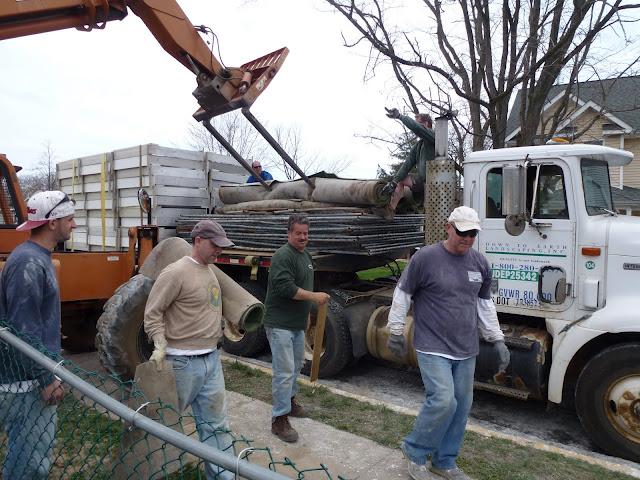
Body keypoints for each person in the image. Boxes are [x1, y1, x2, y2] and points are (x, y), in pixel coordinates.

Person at [386, 206, 510, 480]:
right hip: (432, 345)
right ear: (448, 227)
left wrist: (497, 338)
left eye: (473, 234)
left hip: (466, 348)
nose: (467, 238)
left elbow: (484, 304)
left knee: (461, 408)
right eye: (462, 232)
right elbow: (402, 294)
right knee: (443, 401)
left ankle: (444, 462)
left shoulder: (480, 263)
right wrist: (395, 330)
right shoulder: (425, 258)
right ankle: (415, 451)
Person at [144, 220, 236, 480]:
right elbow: (152, 313)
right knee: (164, 423)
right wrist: (159, 343)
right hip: (181, 364)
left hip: (211, 361)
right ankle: (151, 470)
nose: (219, 251)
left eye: (221, 246)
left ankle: (223, 477)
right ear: (198, 241)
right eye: (214, 245)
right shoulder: (175, 273)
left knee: (217, 426)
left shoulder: (210, 271)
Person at [0, 190, 77, 479]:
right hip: (27, 384)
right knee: (30, 461)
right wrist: (46, 378)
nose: (74, 225)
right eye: (69, 219)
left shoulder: (34, 258)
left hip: (28, 378)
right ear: (52, 222)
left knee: (28, 452)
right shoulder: (29, 263)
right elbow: (24, 331)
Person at [263, 214, 330, 442]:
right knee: (283, 373)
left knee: (294, 368)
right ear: (288, 233)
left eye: (306, 233)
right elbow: (286, 288)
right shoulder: (282, 256)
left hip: (297, 323)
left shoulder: (305, 255)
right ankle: (279, 420)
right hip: (280, 324)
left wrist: (307, 314)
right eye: (298, 233)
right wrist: (314, 297)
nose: (303, 237)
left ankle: (289, 403)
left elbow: (304, 285)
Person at [378, 108, 436, 219]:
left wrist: (400, 116)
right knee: (401, 179)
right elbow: (407, 164)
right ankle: (390, 210)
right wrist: (394, 182)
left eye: (418, 123)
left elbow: (417, 128)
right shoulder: (418, 146)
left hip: (434, 182)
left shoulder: (434, 137)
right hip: (422, 179)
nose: (414, 127)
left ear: (425, 124)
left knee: (430, 213)